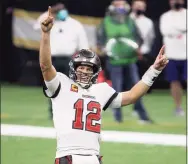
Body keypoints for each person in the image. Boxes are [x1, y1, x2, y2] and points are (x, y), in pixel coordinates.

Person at [40, 6, 168, 164]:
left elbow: (132, 96)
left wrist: (153, 71)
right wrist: (46, 34)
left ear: (95, 71)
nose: (85, 71)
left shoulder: (101, 90)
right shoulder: (61, 84)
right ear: (73, 69)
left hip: (94, 158)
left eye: (89, 68)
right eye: (81, 67)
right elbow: (46, 66)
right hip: (68, 156)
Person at [97, 0, 152, 123]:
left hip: (130, 60)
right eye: (117, 5)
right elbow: (100, 41)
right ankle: (117, 118)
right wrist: (104, 49)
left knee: (137, 87)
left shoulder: (130, 21)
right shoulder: (105, 22)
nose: (120, 7)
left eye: (122, 4)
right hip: (114, 62)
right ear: (112, 7)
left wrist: (137, 47)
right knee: (116, 89)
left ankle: (142, 116)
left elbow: (139, 38)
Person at [35, 3, 89, 118]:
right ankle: (53, 112)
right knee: (52, 86)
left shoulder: (75, 24)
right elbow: (36, 26)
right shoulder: (50, 22)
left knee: (70, 87)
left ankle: (69, 111)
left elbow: (83, 45)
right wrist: (50, 13)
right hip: (52, 60)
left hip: (69, 59)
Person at [160, 0, 186, 116]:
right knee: (174, 82)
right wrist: (182, 29)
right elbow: (165, 31)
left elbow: (172, 31)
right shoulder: (165, 16)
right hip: (171, 54)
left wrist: (174, 30)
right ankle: (178, 107)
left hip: (186, 54)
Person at [130, 0, 155, 83]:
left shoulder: (148, 22)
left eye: (141, 6)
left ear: (144, 8)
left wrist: (143, 50)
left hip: (143, 53)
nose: (139, 8)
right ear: (132, 6)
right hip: (127, 54)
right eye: (137, 5)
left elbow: (150, 38)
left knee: (142, 78)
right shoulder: (126, 20)